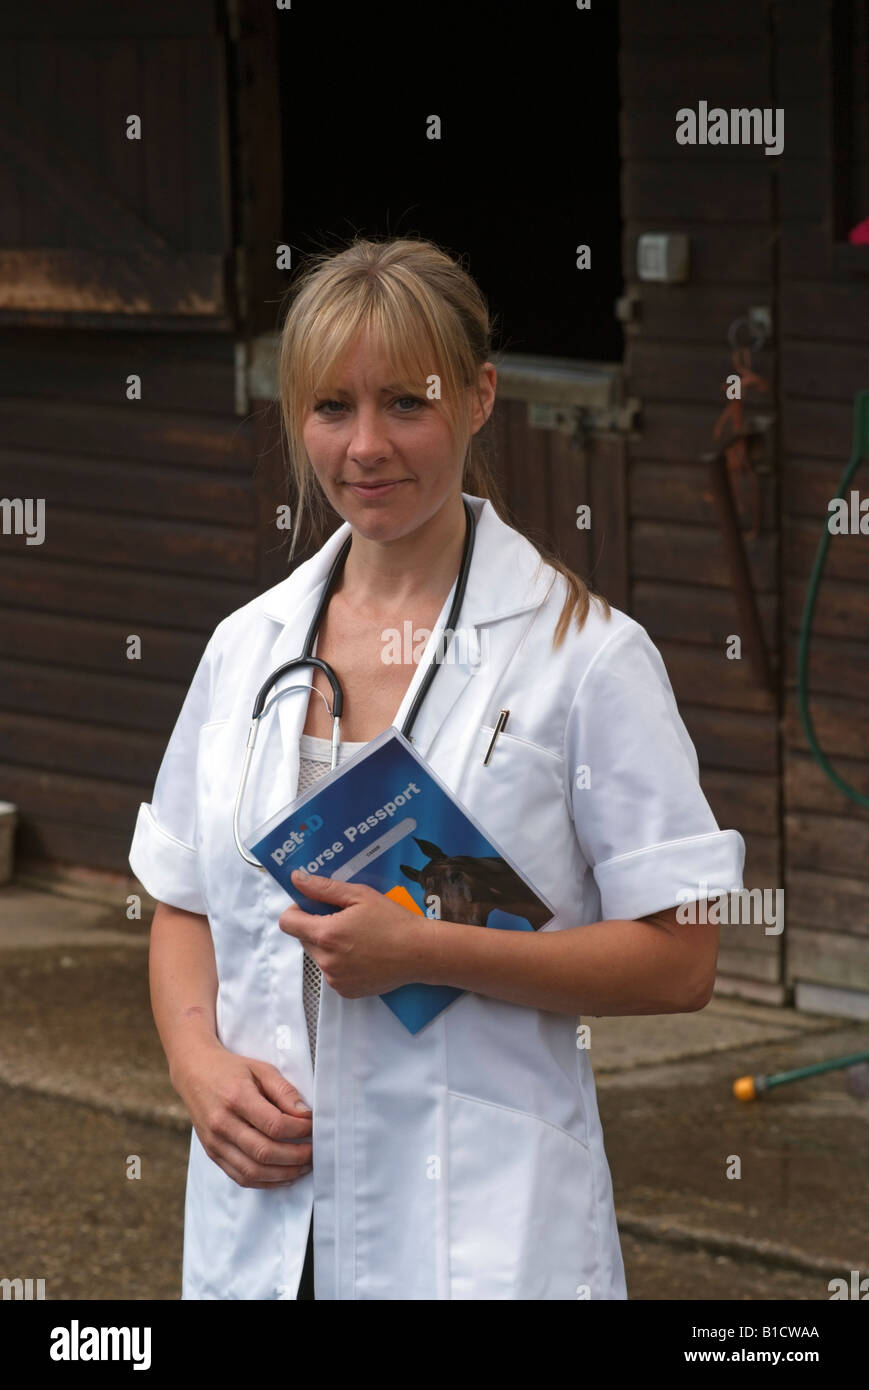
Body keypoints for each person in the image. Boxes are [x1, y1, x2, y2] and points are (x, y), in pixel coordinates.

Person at [129, 236, 745, 1300]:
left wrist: (429, 947)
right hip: (269, 1222)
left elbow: (679, 961)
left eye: (405, 403)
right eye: (331, 408)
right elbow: (182, 898)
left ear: (477, 396)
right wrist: (198, 1064)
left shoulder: (582, 657)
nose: (365, 446)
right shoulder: (249, 646)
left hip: (480, 1232)